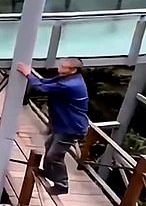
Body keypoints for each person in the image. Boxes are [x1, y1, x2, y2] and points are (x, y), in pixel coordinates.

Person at [17, 58, 89, 195]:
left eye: (64, 66)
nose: (59, 68)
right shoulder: (67, 78)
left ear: (73, 70)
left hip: (71, 127)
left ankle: (62, 184)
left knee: (54, 155)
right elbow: (46, 82)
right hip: (62, 124)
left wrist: (27, 74)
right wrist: (31, 74)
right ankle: (50, 173)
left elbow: (42, 87)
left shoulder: (70, 84)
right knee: (49, 144)